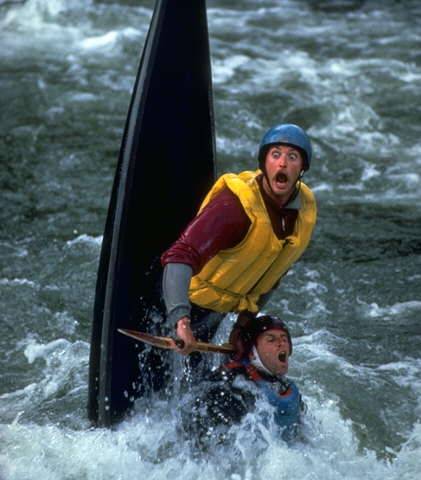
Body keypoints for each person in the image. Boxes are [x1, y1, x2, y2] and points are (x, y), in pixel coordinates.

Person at [161, 123, 317, 354]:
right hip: (175, 302)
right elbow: (179, 258)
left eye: (292, 157)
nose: (282, 163)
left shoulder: (302, 212)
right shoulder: (234, 207)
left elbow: (271, 276)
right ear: (264, 163)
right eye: (275, 155)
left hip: (218, 314)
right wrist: (181, 321)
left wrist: (241, 327)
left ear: (302, 168)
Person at [180, 314, 304, 448]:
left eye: (284, 339)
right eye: (271, 340)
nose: (281, 343)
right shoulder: (228, 386)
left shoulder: (283, 386)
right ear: (252, 352)